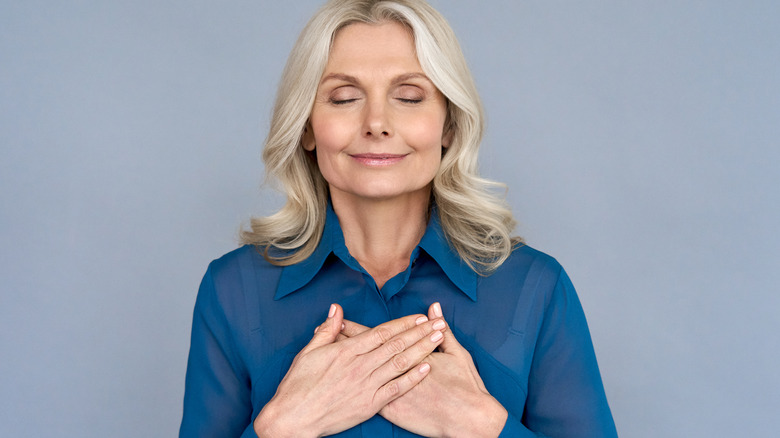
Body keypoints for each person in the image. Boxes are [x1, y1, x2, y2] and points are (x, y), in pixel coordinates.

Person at [180, 0, 618, 437]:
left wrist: (484, 426)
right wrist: (279, 427)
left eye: (409, 96)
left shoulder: (535, 287)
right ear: (308, 126)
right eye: (344, 97)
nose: (376, 122)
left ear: (448, 125)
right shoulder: (232, 290)